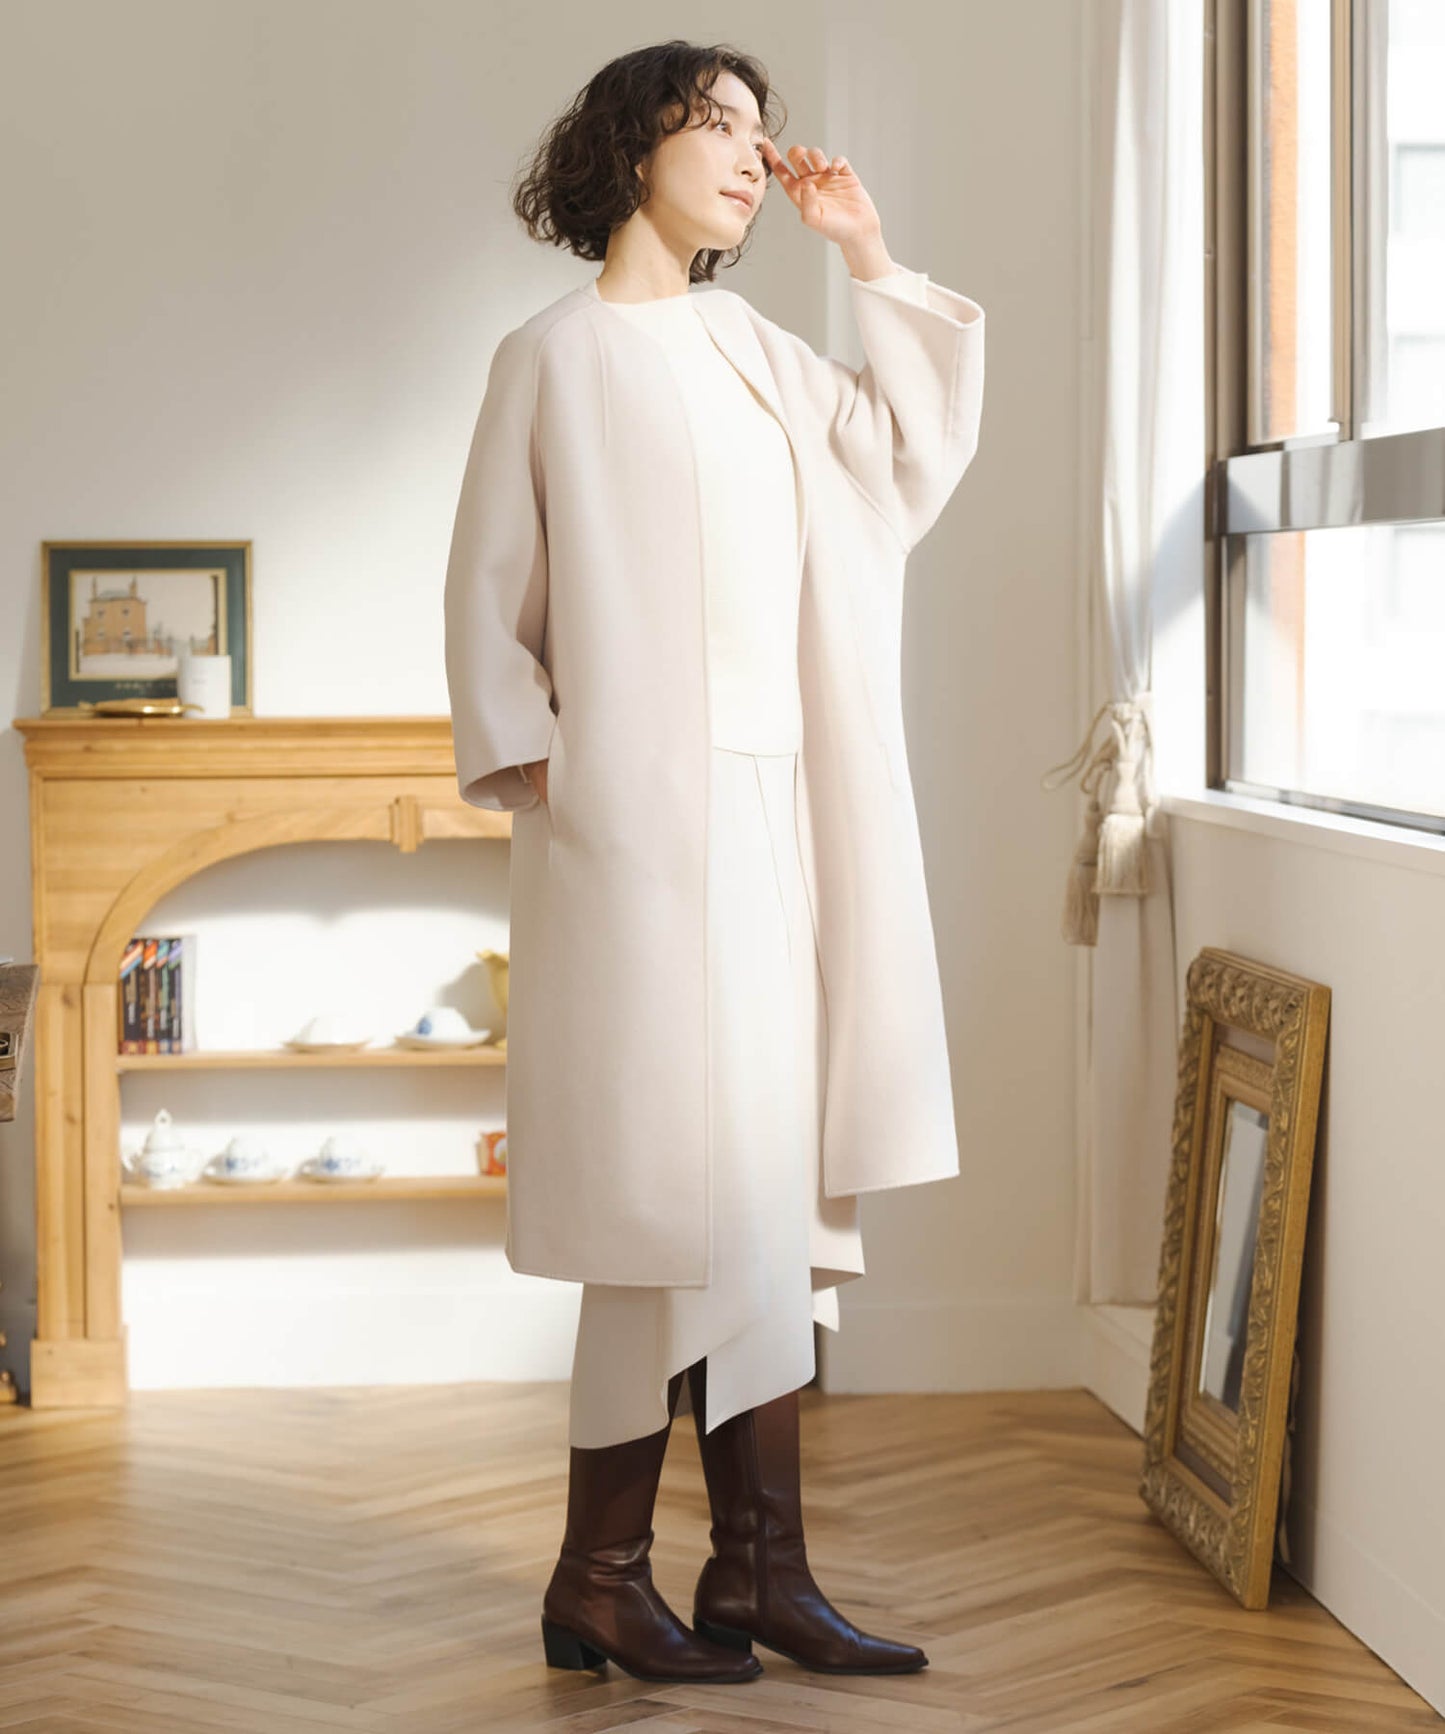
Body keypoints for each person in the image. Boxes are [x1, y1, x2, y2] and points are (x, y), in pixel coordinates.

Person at [443, 38, 985, 1689]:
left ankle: (753, 1568)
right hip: (630, 836)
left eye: (764, 131)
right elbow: (488, 592)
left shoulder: (758, 350)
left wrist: (866, 254)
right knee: (654, 1208)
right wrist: (561, 771)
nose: (754, 155)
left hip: (778, 817)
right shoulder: (549, 357)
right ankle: (603, 1572)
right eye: (719, 125)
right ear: (633, 148)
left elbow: (906, 461)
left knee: (763, 1196)